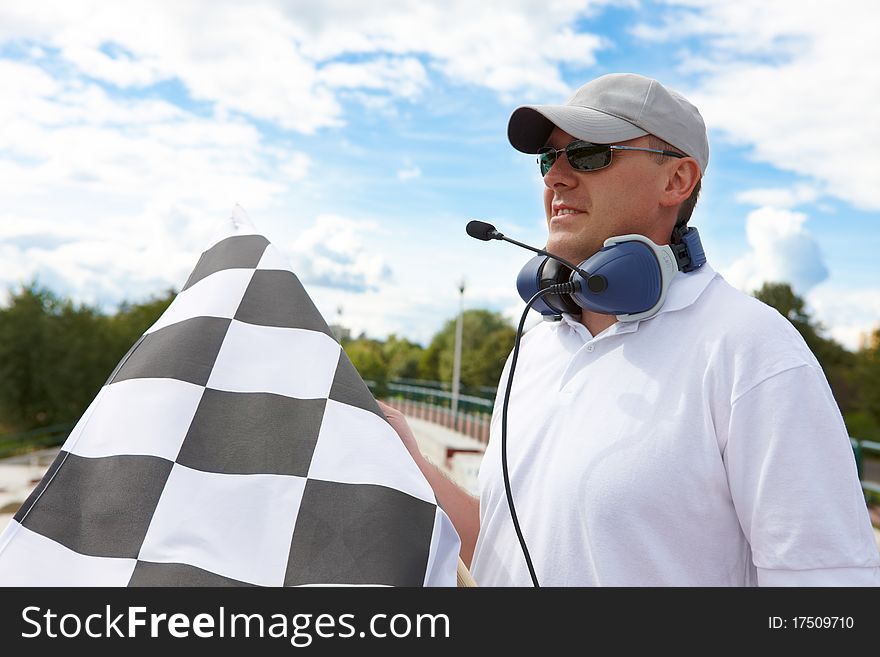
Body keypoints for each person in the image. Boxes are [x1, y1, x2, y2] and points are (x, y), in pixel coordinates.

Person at [380, 73, 880, 586]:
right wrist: (409, 461)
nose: (556, 178)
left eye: (590, 153)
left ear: (677, 181)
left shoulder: (753, 351)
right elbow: (509, 546)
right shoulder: (532, 344)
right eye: (549, 158)